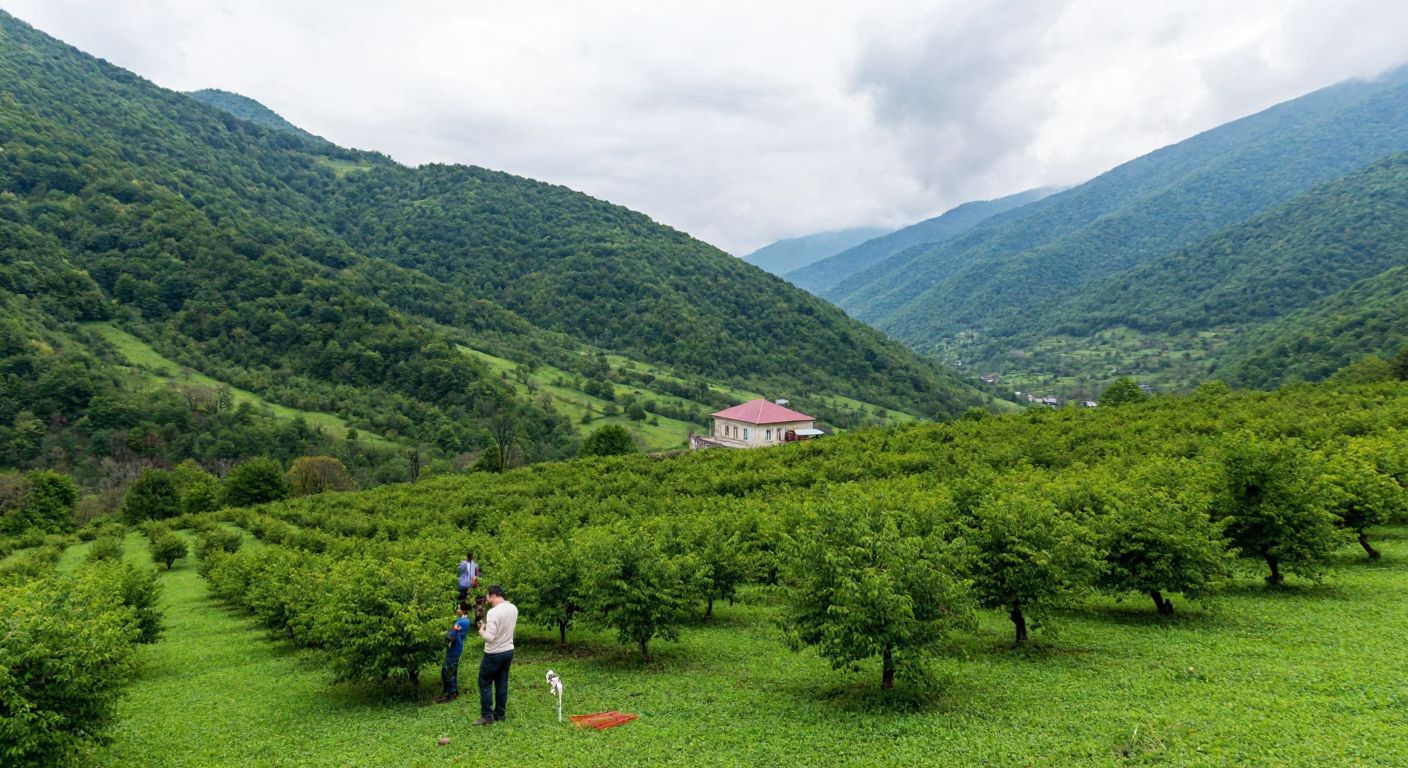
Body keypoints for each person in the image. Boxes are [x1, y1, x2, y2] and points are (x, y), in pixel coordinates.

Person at [472, 584, 518, 726]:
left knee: (484, 681)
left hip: (494, 653)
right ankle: (500, 714)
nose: (488, 600)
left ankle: (487, 716)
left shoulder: (493, 612)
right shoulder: (513, 608)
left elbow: (490, 637)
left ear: (493, 596)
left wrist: (481, 631)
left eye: (488, 597)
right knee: (502, 682)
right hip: (508, 650)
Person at [436, 601, 473, 703]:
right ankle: (453, 692)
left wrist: (442, 636)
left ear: (464, 610)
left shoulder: (461, 622)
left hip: (455, 649)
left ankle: (451, 694)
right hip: (456, 648)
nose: (457, 610)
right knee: (451, 670)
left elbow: (452, 636)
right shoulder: (464, 620)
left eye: (459, 608)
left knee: (447, 671)